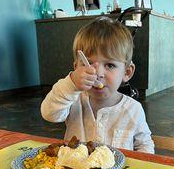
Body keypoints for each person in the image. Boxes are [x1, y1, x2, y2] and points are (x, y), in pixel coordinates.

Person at [41, 17, 154, 153]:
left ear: (127, 72)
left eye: (110, 65)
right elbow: (49, 114)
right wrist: (71, 83)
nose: (98, 73)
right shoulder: (73, 101)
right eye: (87, 63)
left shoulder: (133, 109)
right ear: (77, 68)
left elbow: (144, 146)